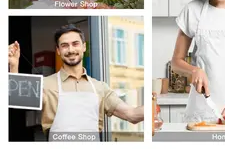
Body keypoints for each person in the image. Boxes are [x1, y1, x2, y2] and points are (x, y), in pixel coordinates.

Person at [8, 24, 144, 141]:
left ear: (84, 47)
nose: (71, 50)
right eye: (64, 46)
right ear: (58, 51)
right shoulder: (46, 84)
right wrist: (13, 65)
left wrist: (153, 106)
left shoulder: (100, 88)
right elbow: (17, 99)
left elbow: (131, 115)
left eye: (75, 44)